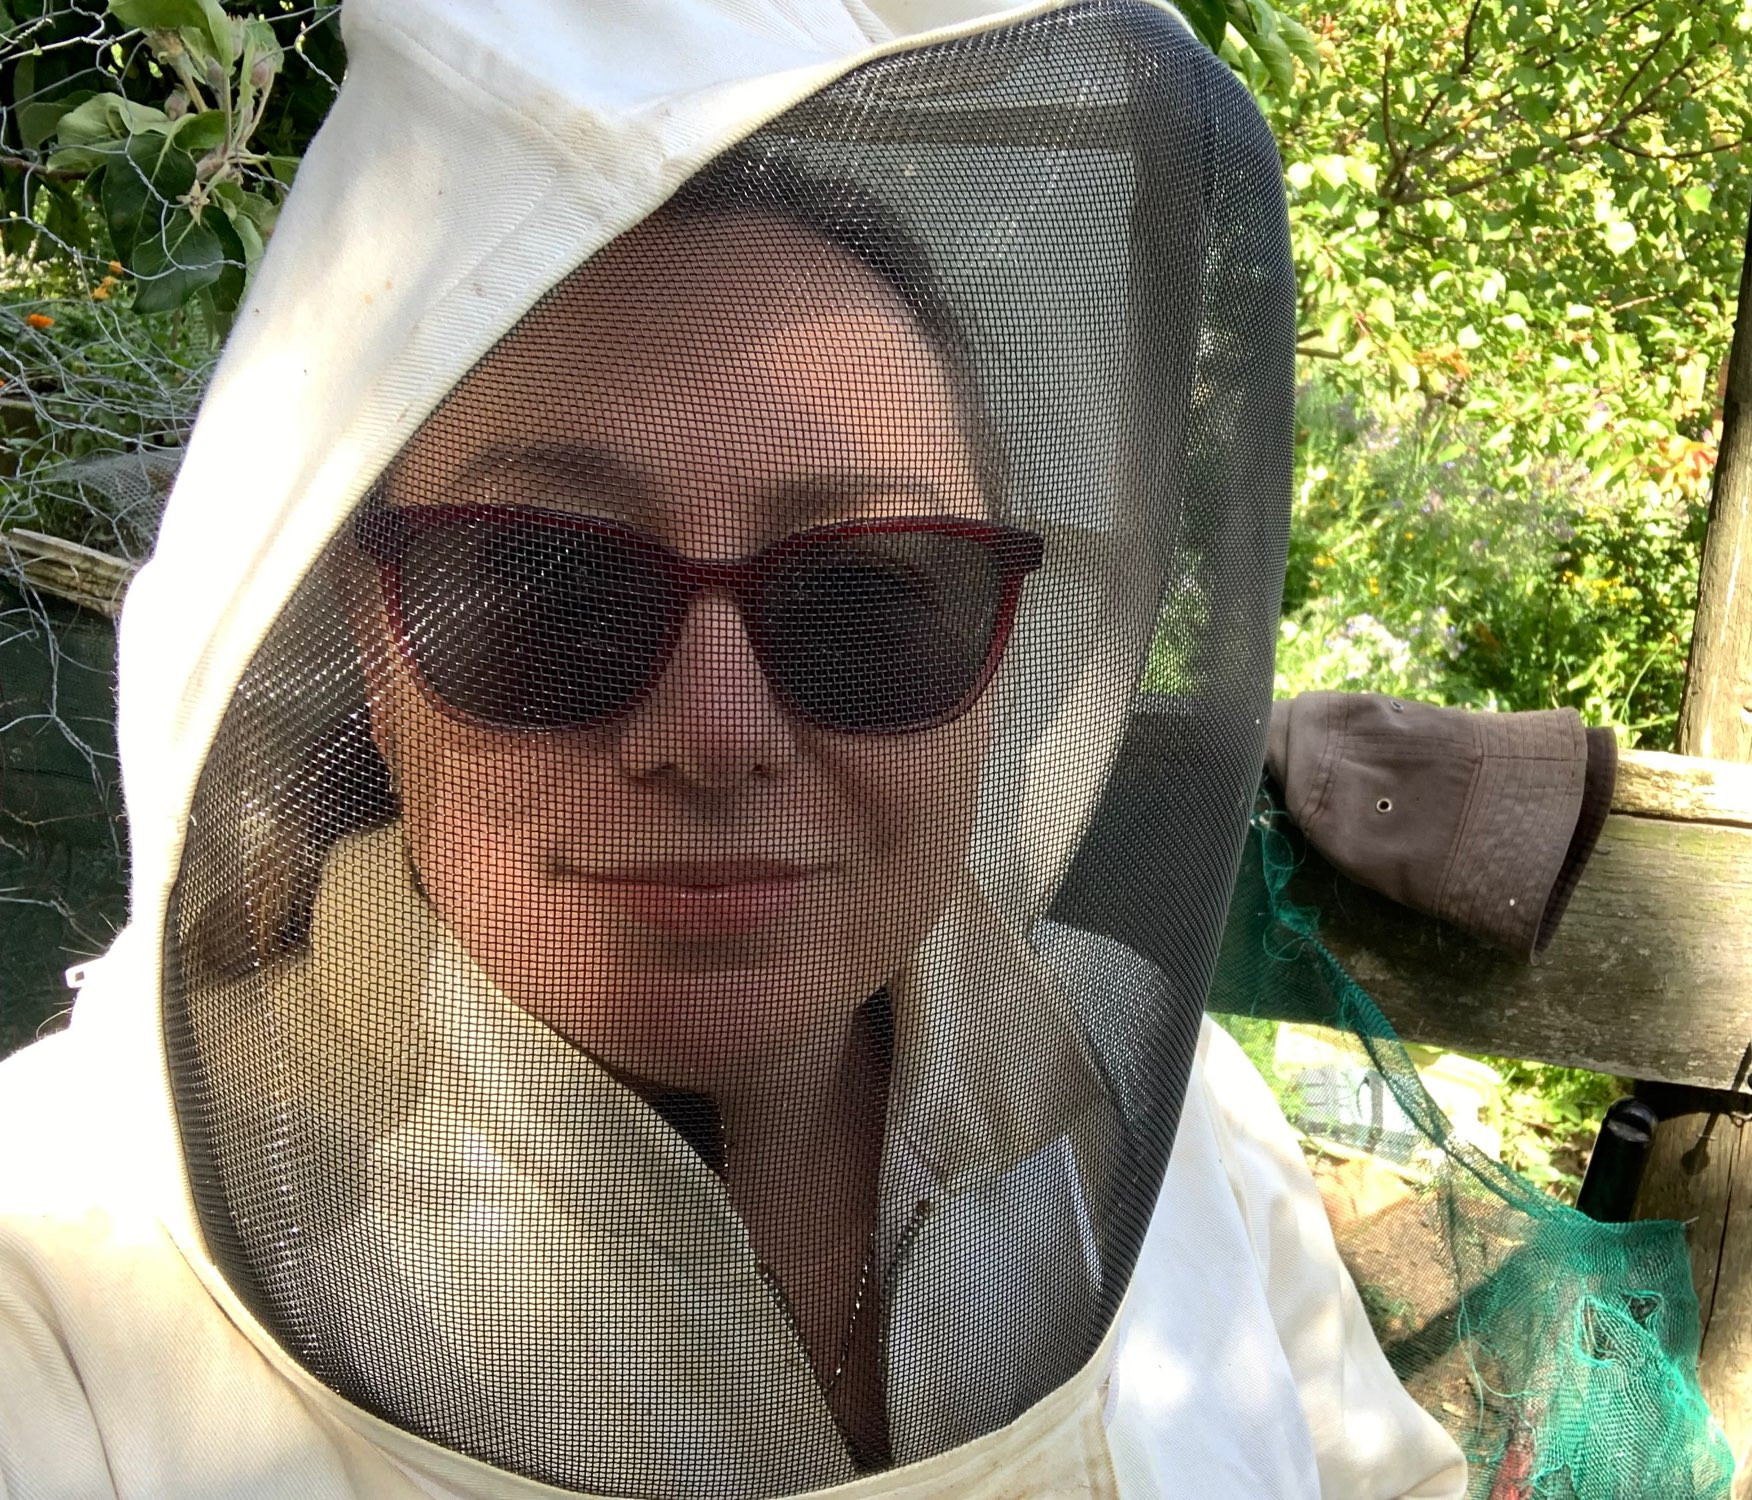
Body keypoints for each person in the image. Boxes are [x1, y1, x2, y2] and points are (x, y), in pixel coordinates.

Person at [0, 0, 1469, 1496]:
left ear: (1001, 656)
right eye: (547, 587)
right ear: (372, 649)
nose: (714, 738)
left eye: (868, 598)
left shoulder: (1177, 1118)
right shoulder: (53, 1278)